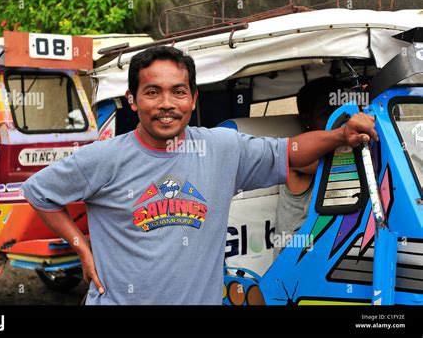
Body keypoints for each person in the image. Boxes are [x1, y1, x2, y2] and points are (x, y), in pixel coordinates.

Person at [21, 46, 377, 305]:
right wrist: (83, 249)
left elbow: (290, 151)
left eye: (178, 91)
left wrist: (339, 136)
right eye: (152, 92)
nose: (166, 103)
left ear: (192, 98)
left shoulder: (223, 148)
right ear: (132, 100)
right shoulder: (103, 158)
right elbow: (40, 192)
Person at [274, 77, 347, 259]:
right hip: (295, 263)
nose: (335, 119)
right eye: (326, 113)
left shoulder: (344, 150)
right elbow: (338, 164)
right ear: (308, 120)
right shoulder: (295, 155)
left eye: (340, 111)